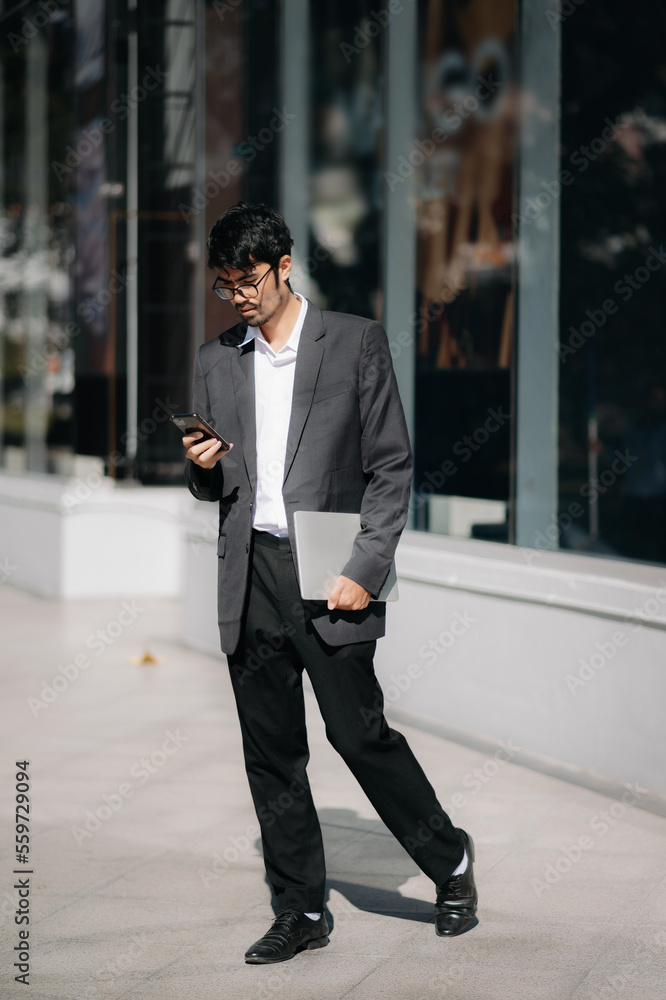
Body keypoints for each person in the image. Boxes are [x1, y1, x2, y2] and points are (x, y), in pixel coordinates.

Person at [182, 202, 477, 964]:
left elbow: (391, 467)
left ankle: (450, 860)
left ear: (283, 265)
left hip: (330, 563)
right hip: (250, 573)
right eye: (224, 285)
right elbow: (213, 489)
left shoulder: (353, 342)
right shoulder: (217, 359)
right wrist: (200, 469)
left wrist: (365, 568)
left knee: (358, 734)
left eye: (247, 281)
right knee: (271, 751)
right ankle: (302, 909)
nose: (237, 297)